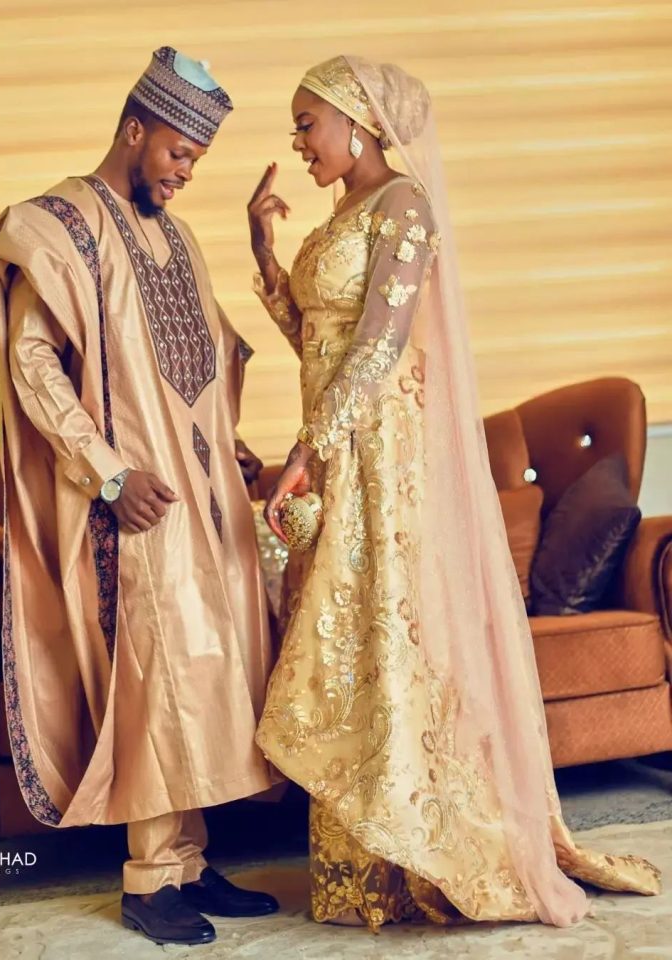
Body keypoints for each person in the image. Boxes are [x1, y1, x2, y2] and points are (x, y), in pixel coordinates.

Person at [249, 55, 661, 930]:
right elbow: (322, 343)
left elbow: (379, 347)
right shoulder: (344, 213)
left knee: (387, 636)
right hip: (340, 449)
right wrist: (263, 257)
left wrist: (304, 450)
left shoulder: (404, 205)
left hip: (382, 456)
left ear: (358, 120)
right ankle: (363, 873)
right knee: (352, 647)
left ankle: (423, 855)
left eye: (307, 123)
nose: (299, 141)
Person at [0, 46, 280, 947]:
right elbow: (33, 363)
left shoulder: (177, 236)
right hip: (131, 502)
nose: (185, 172)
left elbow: (202, 364)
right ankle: (149, 882)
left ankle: (186, 863)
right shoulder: (61, 225)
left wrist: (226, 447)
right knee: (158, 677)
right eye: (179, 153)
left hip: (200, 495)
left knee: (206, 670)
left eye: (197, 159)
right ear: (134, 128)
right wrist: (108, 472)